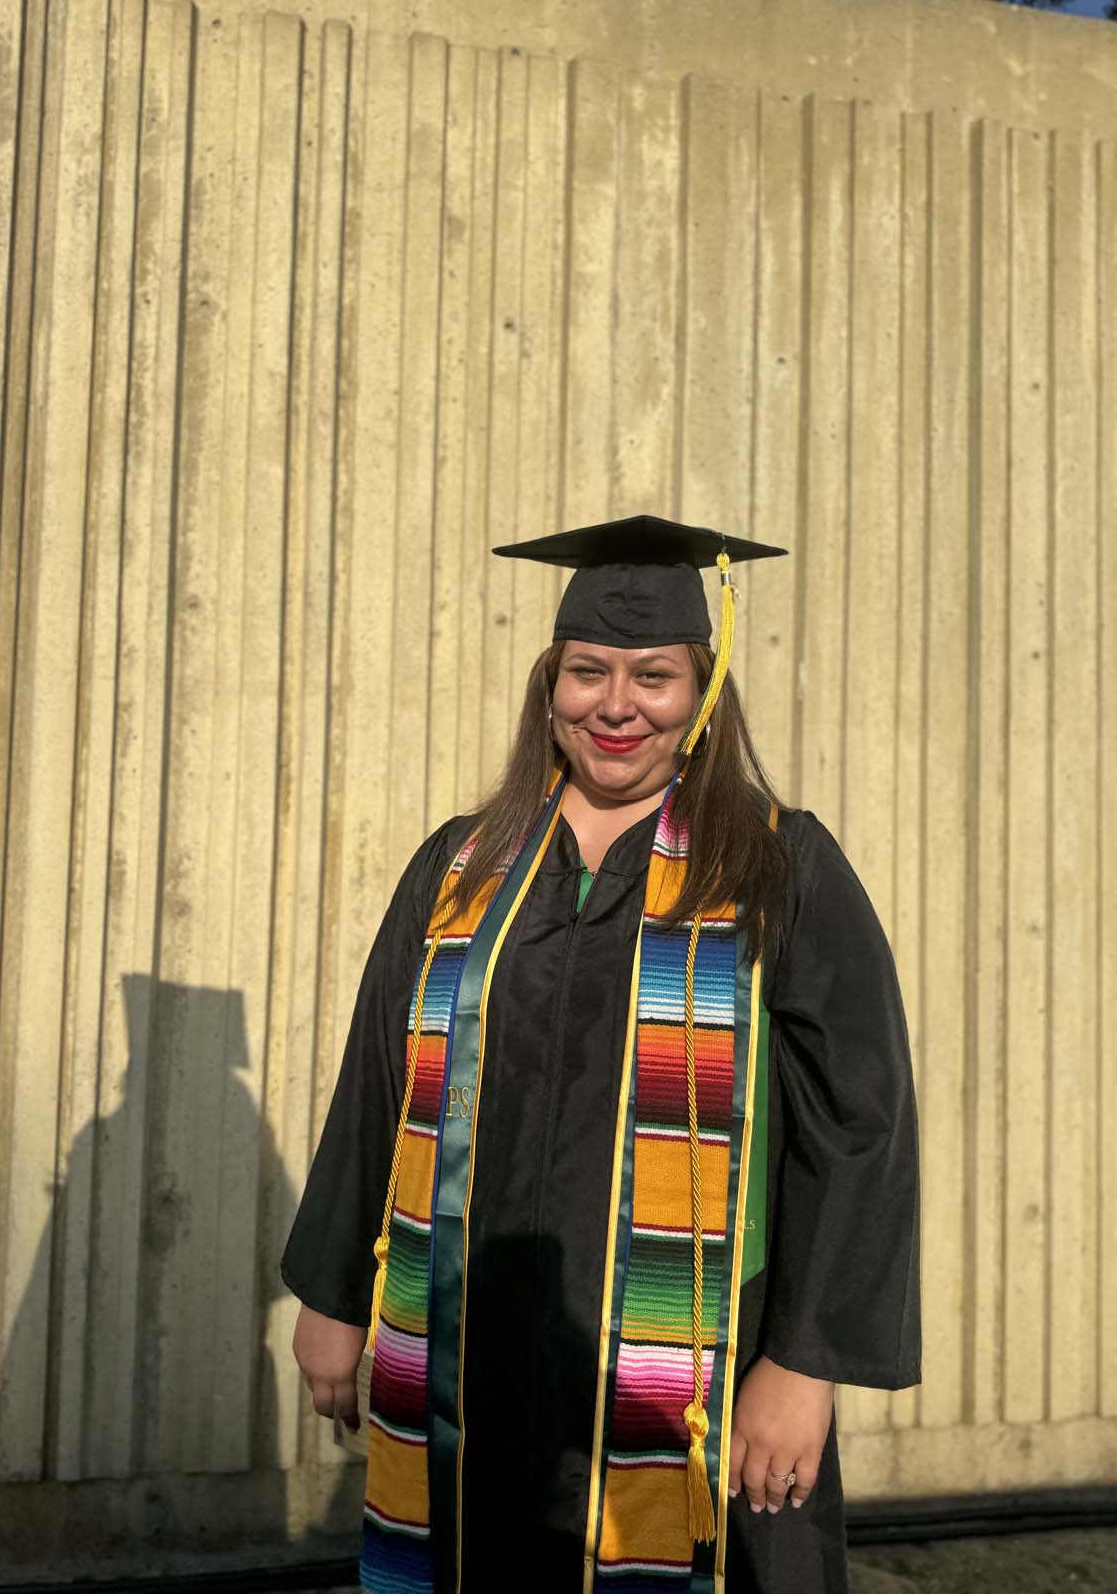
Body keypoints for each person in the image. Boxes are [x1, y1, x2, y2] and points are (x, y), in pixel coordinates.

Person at [282, 515, 921, 1594]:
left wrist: (805, 1362)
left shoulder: (774, 867)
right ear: (550, 687)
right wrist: (335, 1294)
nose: (616, 705)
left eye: (653, 676)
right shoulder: (464, 867)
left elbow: (862, 1125)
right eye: (587, 671)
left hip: (695, 1375)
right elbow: (379, 1085)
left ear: (703, 694)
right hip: (470, 1355)